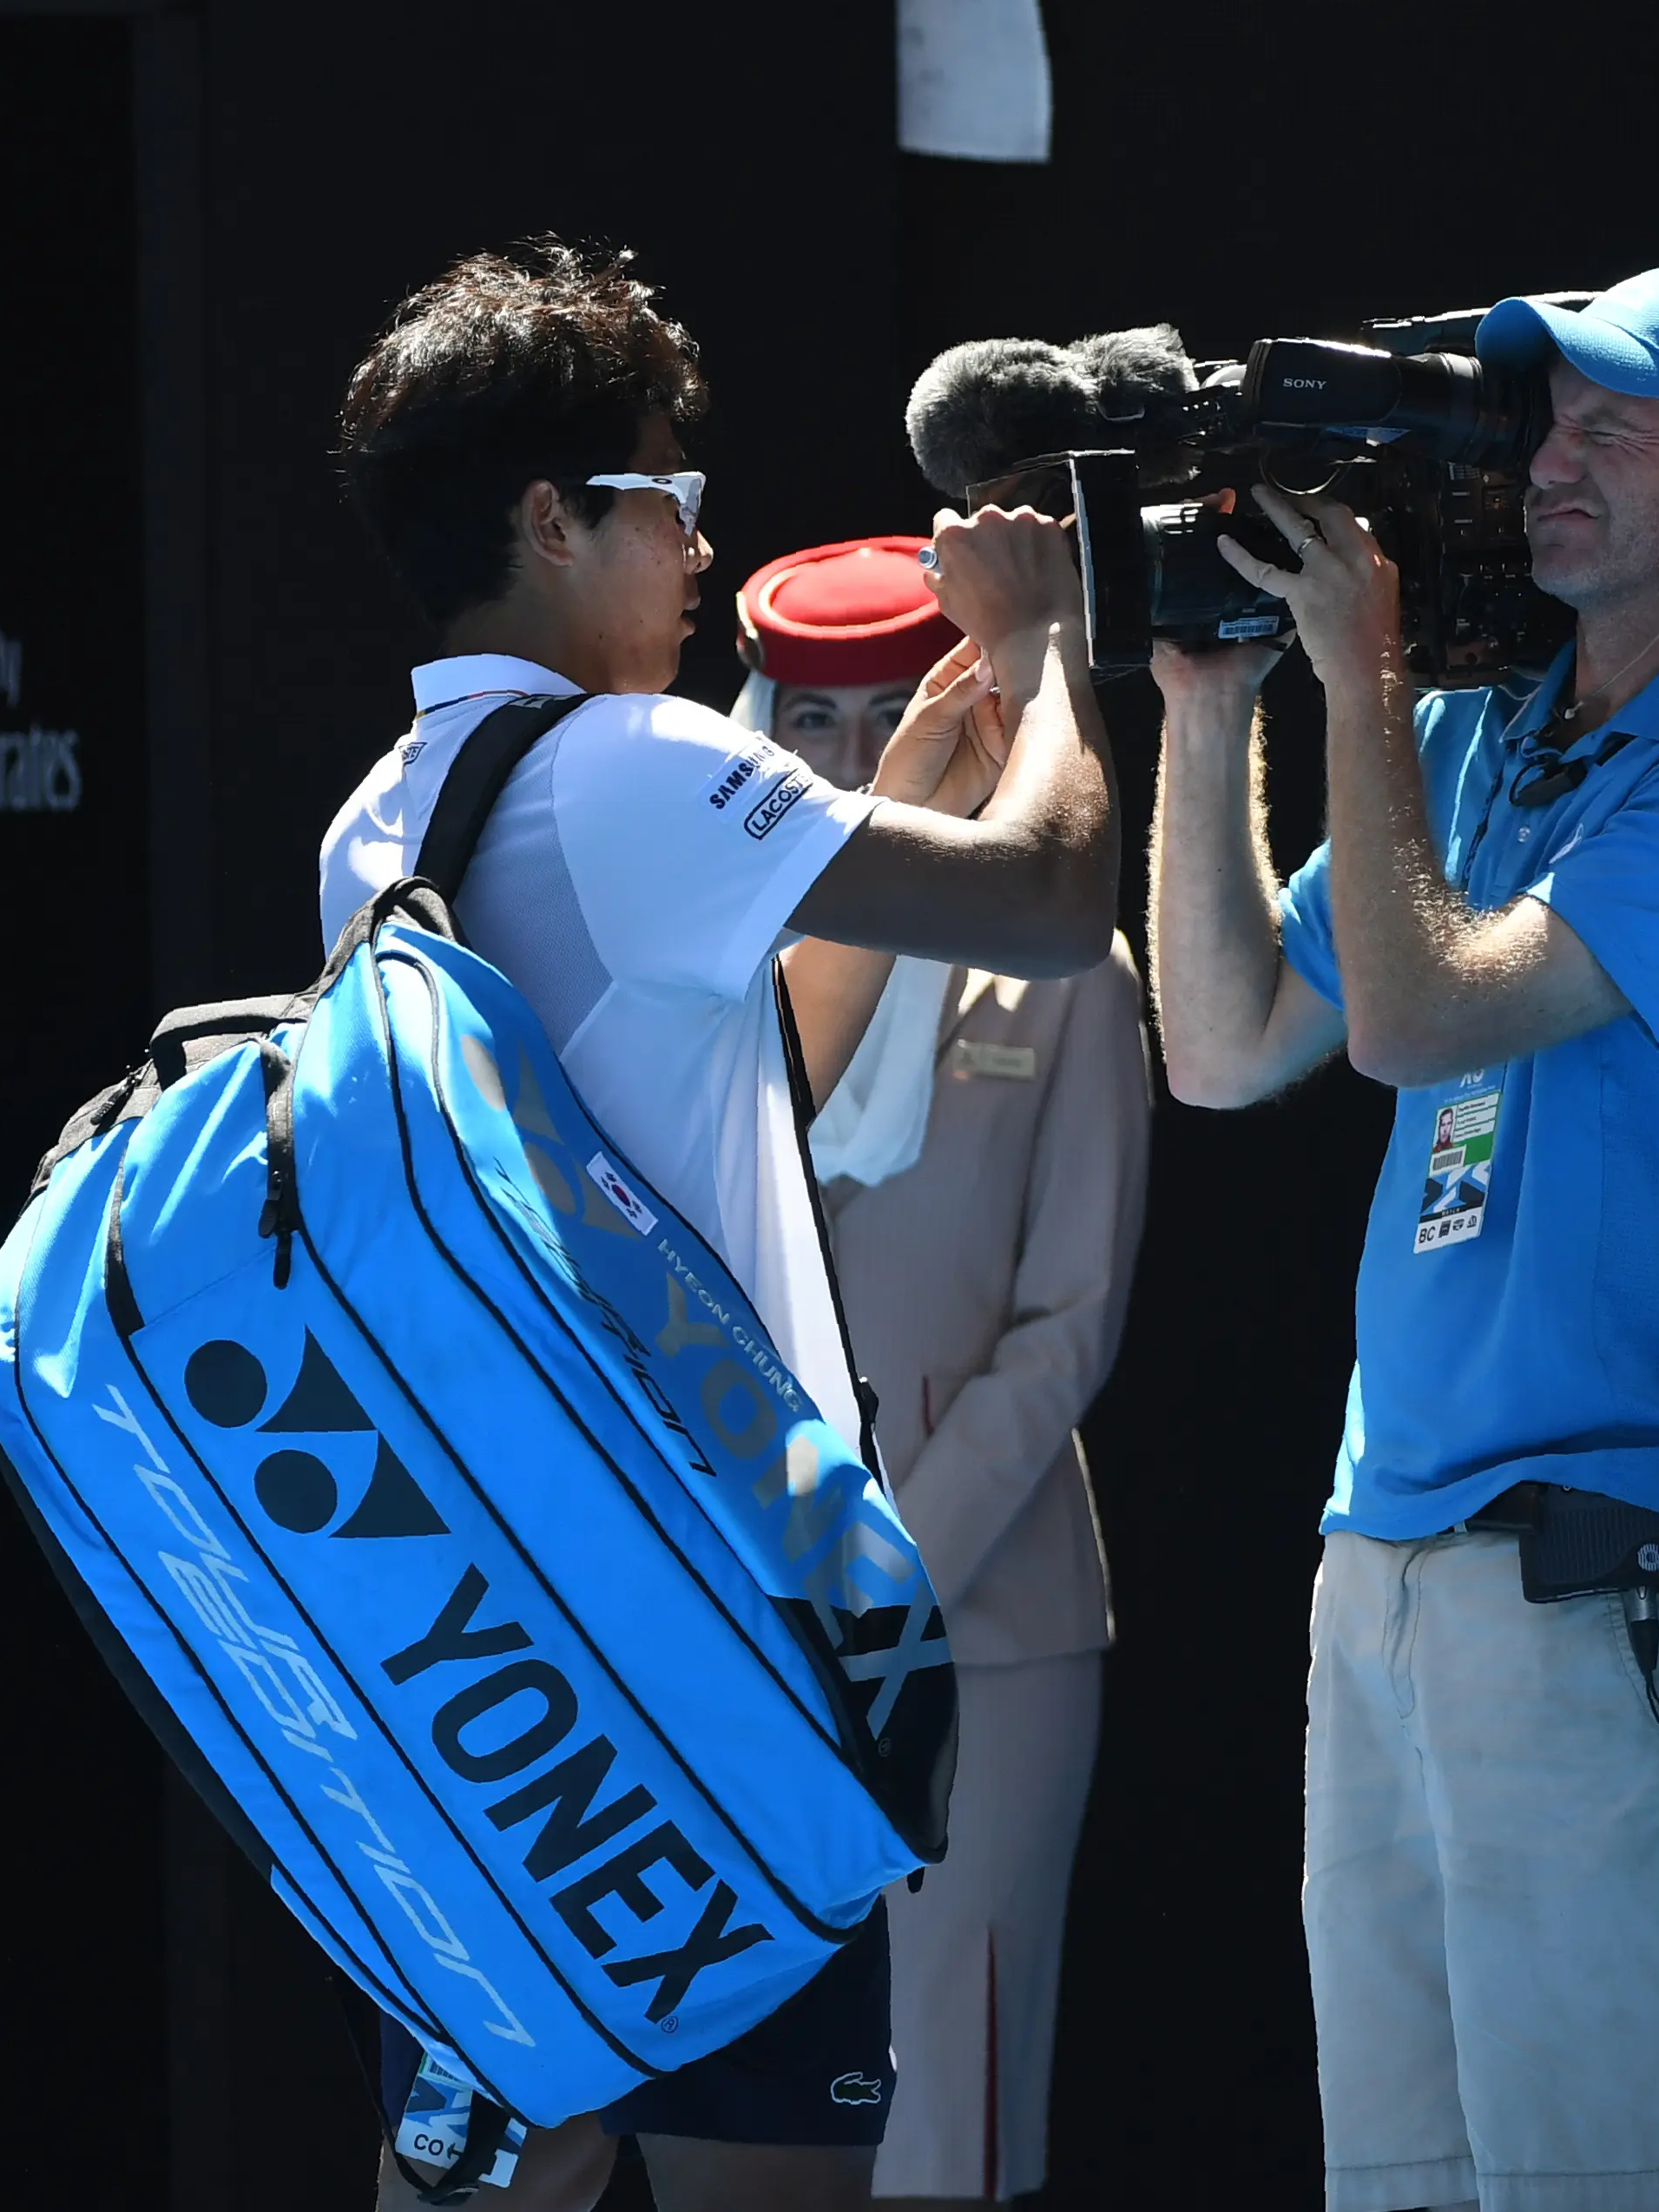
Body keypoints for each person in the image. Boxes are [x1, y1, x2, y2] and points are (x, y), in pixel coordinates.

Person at [319, 240, 1119, 2212]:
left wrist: (912, 764)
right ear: (546, 516)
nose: (698, 550)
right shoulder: (637, 764)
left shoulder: (387, 808)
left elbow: (749, 1057)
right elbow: (1050, 894)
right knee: (750, 2176)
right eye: (669, 501)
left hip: (493, 1604)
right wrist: (1047, 663)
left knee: (520, 2140)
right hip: (701, 1620)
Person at [1148, 266, 1659, 2212]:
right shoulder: (1491, 731)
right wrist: (1215, 703)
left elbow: (1410, 1021)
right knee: (1408, 2180)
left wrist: (1362, 682)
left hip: (1606, 1569)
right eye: (1543, 423)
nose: (1545, 464)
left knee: (1623, 2177)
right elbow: (1222, 1047)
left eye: (1608, 432)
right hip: (1386, 1560)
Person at [738, 537, 1148, 2211]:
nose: (840, 765)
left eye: (874, 719)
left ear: (968, 717)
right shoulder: (710, 982)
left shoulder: (1068, 976)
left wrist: (886, 1568)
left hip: (977, 1624)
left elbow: (1070, 1326)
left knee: (943, 2111)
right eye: (802, 722)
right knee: (751, 2113)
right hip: (740, 1621)